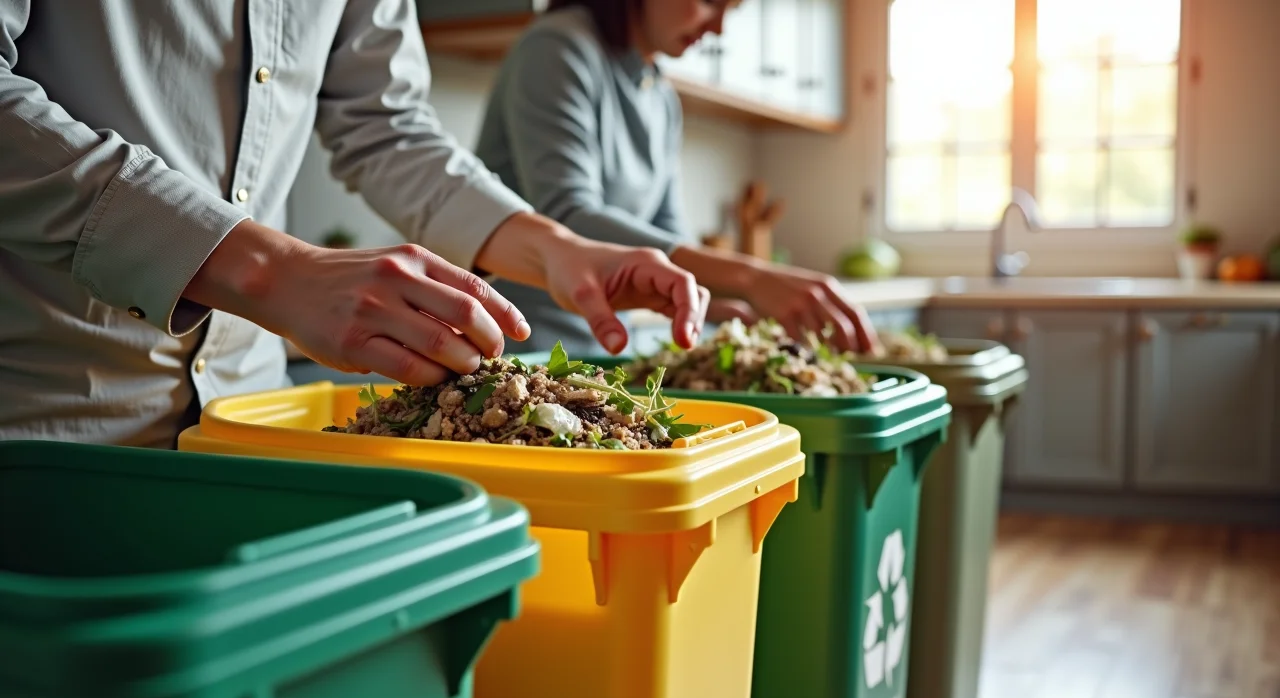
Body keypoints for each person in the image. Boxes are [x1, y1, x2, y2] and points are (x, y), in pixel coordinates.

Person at [0, 0, 709, 448]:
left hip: (248, 418)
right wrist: (268, 270)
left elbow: (387, 126)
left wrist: (553, 247)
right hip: (45, 414)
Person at [475, 0, 877, 355]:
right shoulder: (556, 47)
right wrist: (751, 277)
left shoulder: (661, 96)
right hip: (518, 345)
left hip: (605, 349)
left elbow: (668, 231)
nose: (718, 27)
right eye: (709, 2)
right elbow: (568, 215)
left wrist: (715, 302)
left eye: (730, 10)